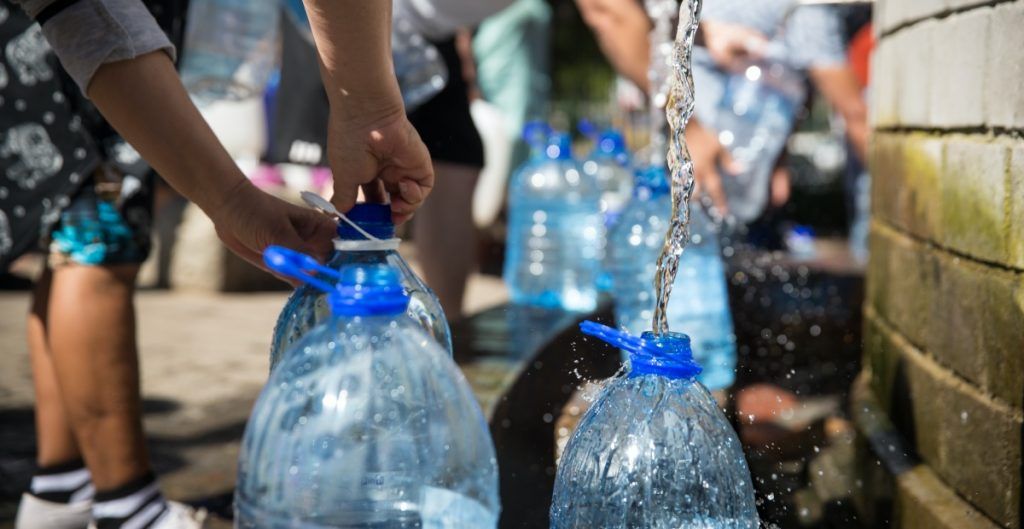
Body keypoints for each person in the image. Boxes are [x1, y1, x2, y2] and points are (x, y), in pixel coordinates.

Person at [5, 1, 434, 528]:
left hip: (73, 35)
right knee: (98, 238)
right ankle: (126, 506)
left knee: (69, 237)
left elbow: (84, 11)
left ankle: (61, 489)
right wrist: (371, 112)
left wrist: (231, 199)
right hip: (85, 45)